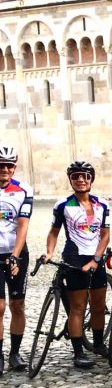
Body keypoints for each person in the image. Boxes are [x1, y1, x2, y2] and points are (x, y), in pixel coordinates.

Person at [45, 161, 110, 369]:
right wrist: (49, 252)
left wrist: (96, 260)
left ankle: (98, 344)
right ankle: (78, 352)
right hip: (74, 258)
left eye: (85, 176)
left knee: (99, 307)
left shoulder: (102, 204)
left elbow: (105, 235)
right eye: (75, 176)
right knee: (78, 307)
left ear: (91, 178)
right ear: (70, 180)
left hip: (96, 259)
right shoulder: (63, 205)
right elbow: (54, 232)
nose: (81, 180)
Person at [0, 145, 32, 372]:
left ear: (15, 167)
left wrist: (15, 256)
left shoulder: (23, 190)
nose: (5, 169)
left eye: (9, 165)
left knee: (17, 305)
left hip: (16, 252)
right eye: (1, 165)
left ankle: (14, 353)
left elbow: (23, 224)